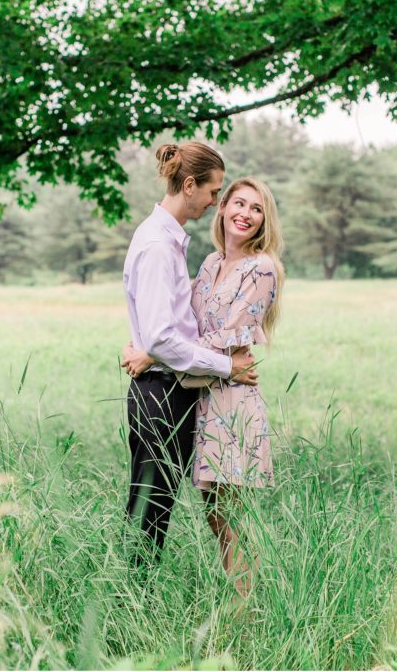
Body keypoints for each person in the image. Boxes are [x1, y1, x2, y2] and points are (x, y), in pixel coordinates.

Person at [123, 176, 284, 599]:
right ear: (223, 207)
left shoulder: (261, 268)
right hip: (199, 394)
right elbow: (183, 327)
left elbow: (228, 339)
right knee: (214, 514)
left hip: (231, 398)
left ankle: (245, 614)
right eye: (238, 203)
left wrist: (152, 353)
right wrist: (152, 344)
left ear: (265, 220)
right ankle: (237, 608)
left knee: (228, 517)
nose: (245, 214)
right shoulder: (211, 264)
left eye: (257, 209)